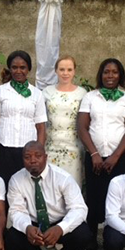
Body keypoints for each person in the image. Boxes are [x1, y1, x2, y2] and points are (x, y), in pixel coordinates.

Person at [6, 141, 91, 250]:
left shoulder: (63, 178)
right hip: (33, 223)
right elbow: (16, 210)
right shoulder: (16, 180)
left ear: (46, 157)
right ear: (23, 160)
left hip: (59, 222)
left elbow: (79, 208)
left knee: (84, 234)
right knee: (11, 238)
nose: (32, 160)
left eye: (37, 156)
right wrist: (27, 227)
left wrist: (61, 229)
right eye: (27, 157)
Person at [77, 58, 125, 250]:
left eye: (114, 72)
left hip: (119, 158)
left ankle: (115, 239)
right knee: (94, 196)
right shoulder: (90, 97)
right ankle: (91, 239)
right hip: (95, 157)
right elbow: (82, 127)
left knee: (118, 198)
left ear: (120, 75)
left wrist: (115, 156)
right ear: (100, 75)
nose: (110, 76)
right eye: (106, 72)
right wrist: (94, 154)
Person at [0, 50, 47, 188]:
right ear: (10, 68)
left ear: (29, 69)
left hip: (28, 152)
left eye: (22, 67)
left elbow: (41, 127)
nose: (18, 71)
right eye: (14, 67)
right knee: (4, 187)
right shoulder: (0, 91)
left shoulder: (37, 94)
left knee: (27, 187)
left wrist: (39, 154)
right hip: (3, 149)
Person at [43, 56, 88, 186]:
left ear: (74, 71)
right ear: (56, 71)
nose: (65, 73)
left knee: (72, 185)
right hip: (51, 146)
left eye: (69, 69)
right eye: (62, 69)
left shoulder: (82, 93)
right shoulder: (46, 92)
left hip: (74, 147)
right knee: (51, 185)